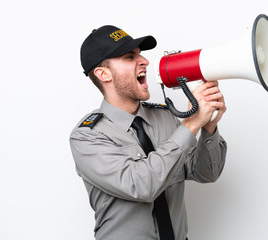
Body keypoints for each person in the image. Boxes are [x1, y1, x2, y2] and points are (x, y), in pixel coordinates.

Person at [69, 25, 227, 240]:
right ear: (103, 74)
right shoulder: (87, 136)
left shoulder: (164, 117)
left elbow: (206, 173)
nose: (144, 61)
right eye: (129, 57)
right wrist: (191, 125)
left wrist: (209, 127)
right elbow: (142, 185)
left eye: (140, 54)